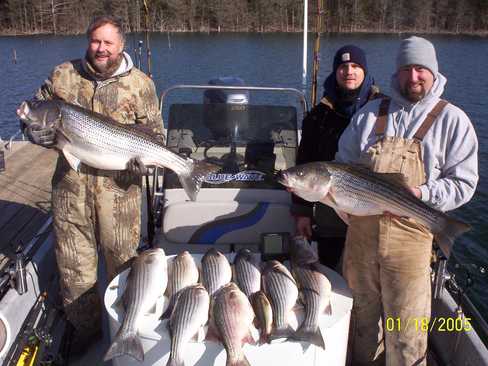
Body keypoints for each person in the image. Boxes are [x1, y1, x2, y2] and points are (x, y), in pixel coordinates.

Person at [21, 16, 163, 353]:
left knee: (124, 265)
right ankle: (85, 333)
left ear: (121, 46)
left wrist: (144, 161)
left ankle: (127, 331)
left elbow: (155, 132)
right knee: (75, 270)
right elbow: (35, 108)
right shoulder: (63, 75)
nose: (100, 49)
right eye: (95, 41)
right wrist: (33, 131)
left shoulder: (141, 83)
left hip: (121, 195)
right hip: (70, 191)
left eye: (107, 43)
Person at [336, 36, 478, 365]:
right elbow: (342, 164)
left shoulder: (452, 121)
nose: (413, 77)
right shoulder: (369, 115)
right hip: (361, 243)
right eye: (405, 70)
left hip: (412, 241)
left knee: (407, 329)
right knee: (362, 325)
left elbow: (465, 182)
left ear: (433, 72)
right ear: (396, 74)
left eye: (420, 69)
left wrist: (423, 195)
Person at [291, 45, 382, 269]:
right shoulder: (317, 117)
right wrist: (303, 213)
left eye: (355, 66)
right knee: (331, 271)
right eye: (343, 67)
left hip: (376, 208)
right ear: (335, 72)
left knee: (371, 276)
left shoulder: (387, 109)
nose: (349, 71)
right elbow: (304, 164)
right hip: (330, 210)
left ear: (365, 71)